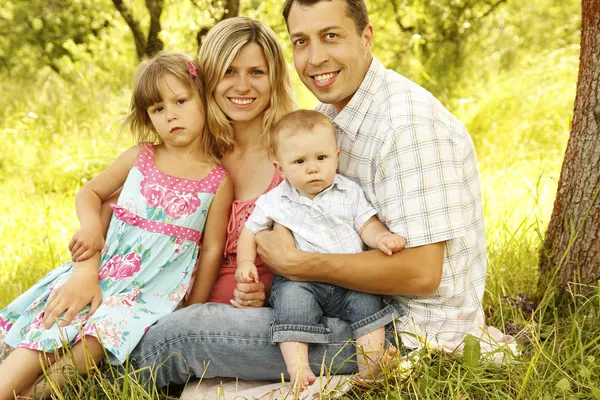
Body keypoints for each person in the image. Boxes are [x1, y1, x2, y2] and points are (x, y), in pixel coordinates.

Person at [134, 0, 495, 385]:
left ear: (366, 37)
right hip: (342, 302)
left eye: (331, 36)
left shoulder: (409, 128)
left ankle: (99, 372)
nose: (316, 57)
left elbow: (423, 274)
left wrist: (297, 263)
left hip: (403, 331)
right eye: (302, 41)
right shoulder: (329, 117)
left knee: (185, 334)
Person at [0, 52, 232, 399]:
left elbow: (212, 248)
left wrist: (192, 310)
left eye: (181, 101)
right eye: (157, 109)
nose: (171, 114)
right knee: (54, 326)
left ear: (203, 98)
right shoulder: (141, 156)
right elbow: (91, 191)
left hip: (147, 295)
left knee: (99, 337)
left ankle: (42, 393)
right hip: (103, 272)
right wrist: (92, 228)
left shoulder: (217, 179)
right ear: (148, 117)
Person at [236, 109, 406, 388]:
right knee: (291, 302)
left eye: (321, 158)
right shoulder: (275, 200)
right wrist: (245, 263)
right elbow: (250, 230)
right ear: (281, 168)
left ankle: (371, 368)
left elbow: (366, 224)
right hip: (302, 282)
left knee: (368, 301)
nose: (312, 168)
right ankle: (298, 367)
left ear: (336, 156)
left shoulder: (348, 192)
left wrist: (382, 237)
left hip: (349, 278)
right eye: (299, 161)